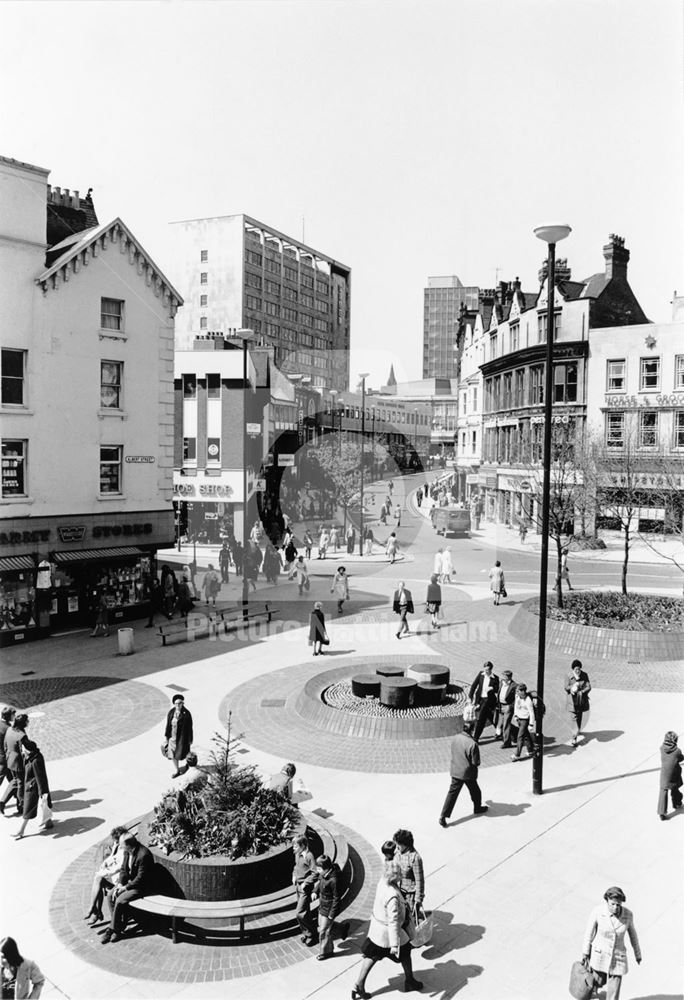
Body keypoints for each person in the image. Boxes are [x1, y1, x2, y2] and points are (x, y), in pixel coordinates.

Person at [351, 868, 422, 998]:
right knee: (405, 954)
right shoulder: (392, 896)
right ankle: (410, 981)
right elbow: (393, 922)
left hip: (377, 933)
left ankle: (358, 985)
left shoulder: (382, 882)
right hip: (389, 936)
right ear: (394, 877)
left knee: (371, 956)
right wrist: (395, 945)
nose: (402, 876)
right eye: (400, 874)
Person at [582, 886, 642, 999]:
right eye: (612, 904)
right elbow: (589, 933)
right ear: (607, 901)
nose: (615, 907)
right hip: (600, 954)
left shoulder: (628, 915)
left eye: (618, 904)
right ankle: (592, 992)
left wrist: (638, 954)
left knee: (614, 989)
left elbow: (633, 936)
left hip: (618, 957)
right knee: (597, 981)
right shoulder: (598, 911)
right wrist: (585, 952)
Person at [102, 833, 154, 943]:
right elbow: (123, 870)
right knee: (111, 895)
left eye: (122, 845)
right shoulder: (127, 851)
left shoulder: (144, 855)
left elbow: (141, 878)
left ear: (129, 844)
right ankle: (118, 925)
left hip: (141, 887)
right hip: (129, 883)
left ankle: (114, 929)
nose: (120, 847)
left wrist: (125, 888)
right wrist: (120, 884)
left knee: (120, 900)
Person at [438, 721, 488, 826]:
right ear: (472, 730)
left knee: (452, 794)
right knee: (475, 791)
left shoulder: (456, 738)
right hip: (468, 773)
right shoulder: (472, 744)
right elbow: (476, 762)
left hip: (456, 770)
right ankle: (477, 807)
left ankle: (443, 816)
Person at [84, 825, 129, 923]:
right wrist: (105, 863)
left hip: (119, 879)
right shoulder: (117, 844)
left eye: (117, 841)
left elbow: (120, 867)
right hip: (112, 876)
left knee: (99, 878)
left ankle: (95, 910)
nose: (115, 843)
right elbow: (113, 856)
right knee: (98, 879)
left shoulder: (125, 849)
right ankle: (95, 909)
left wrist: (106, 872)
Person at [311, 854, 349, 960]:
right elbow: (320, 882)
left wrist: (332, 914)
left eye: (319, 869)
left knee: (323, 930)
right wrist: (315, 891)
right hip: (323, 904)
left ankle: (326, 952)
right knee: (323, 926)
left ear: (326, 868)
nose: (317, 871)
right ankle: (342, 929)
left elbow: (337, 898)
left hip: (329, 908)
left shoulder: (334, 880)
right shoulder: (324, 873)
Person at [13, 739, 52, 840]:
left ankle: (21, 830)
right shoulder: (31, 756)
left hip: (33, 788)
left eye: (23, 749)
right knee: (43, 806)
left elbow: (40, 778)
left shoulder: (35, 761)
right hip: (30, 786)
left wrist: (42, 793)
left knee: (28, 809)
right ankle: (48, 822)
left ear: (28, 750)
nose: (22, 751)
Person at [0, 713, 29, 816]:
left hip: (10, 760)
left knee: (15, 781)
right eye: (27, 721)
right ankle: (21, 806)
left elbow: (5, 744)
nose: (28, 723)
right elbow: (29, 748)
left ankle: (2, 802)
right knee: (21, 783)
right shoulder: (21, 734)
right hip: (18, 762)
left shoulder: (9, 730)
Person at [292, 834, 318, 945]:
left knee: (299, 913)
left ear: (302, 845)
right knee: (305, 912)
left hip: (305, 888)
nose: (294, 848)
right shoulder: (297, 855)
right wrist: (293, 875)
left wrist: (306, 882)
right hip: (298, 886)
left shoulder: (309, 856)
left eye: (296, 846)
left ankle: (311, 934)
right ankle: (308, 934)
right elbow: (296, 867)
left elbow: (315, 873)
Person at [392, 829, 424, 911]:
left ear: (405, 844)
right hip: (398, 891)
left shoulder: (415, 858)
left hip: (410, 895)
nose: (397, 847)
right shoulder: (398, 852)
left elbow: (419, 881)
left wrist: (418, 900)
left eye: (399, 844)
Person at [469, 661, 500, 742]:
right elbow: (474, 685)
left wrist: (492, 688)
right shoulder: (481, 674)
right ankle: (503, 732)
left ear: (491, 670)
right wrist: (470, 697)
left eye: (487, 670)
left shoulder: (495, 678)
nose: (485, 672)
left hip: (488, 700)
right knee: (491, 717)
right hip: (480, 699)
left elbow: (498, 689)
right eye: (485, 670)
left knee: (481, 719)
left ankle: (476, 738)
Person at [163, 694, 193, 778]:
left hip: (182, 738)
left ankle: (189, 765)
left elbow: (190, 727)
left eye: (180, 703)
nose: (178, 705)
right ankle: (177, 770)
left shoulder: (186, 714)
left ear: (183, 703)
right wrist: (166, 737)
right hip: (172, 737)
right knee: (172, 754)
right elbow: (168, 725)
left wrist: (190, 739)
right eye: (176, 703)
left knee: (184, 752)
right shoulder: (171, 712)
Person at [565, 658, 591, 746]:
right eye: (576, 669)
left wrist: (583, 691)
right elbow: (566, 687)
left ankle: (577, 731)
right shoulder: (568, 676)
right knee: (574, 719)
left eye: (579, 669)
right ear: (573, 669)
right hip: (572, 702)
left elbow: (588, 686)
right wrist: (573, 687)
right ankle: (574, 738)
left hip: (580, 701)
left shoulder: (584, 675)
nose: (578, 671)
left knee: (579, 718)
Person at [658, 730, 683, 820]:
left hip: (664, 775)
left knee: (663, 791)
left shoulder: (661, 748)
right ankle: (677, 803)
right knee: (675, 788)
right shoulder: (677, 751)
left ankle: (662, 812)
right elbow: (681, 758)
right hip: (674, 774)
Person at [510, 683, 536, 761]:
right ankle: (530, 750)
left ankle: (517, 754)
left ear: (523, 691)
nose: (516, 692)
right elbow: (516, 706)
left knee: (520, 737)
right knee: (526, 735)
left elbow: (531, 713)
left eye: (518, 691)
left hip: (525, 720)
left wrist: (531, 724)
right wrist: (515, 715)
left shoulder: (528, 700)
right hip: (519, 719)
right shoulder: (517, 697)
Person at [494, 670, 516, 748]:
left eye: (505, 676)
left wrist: (510, 707)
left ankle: (507, 742)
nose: (503, 678)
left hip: (507, 707)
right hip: (500, 706)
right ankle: (505, 735)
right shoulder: (501, 682)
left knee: (506, 724)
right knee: (499, 722)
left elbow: (516, 699)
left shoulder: (514, 686)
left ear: (508, 677)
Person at [0, 705, 16, 809]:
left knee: (13, 780)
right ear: (9, 716)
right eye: (13, 714)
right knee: (16, 780)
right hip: (6, 759)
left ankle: (18, 798)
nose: (14, 716)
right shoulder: (8, 728)